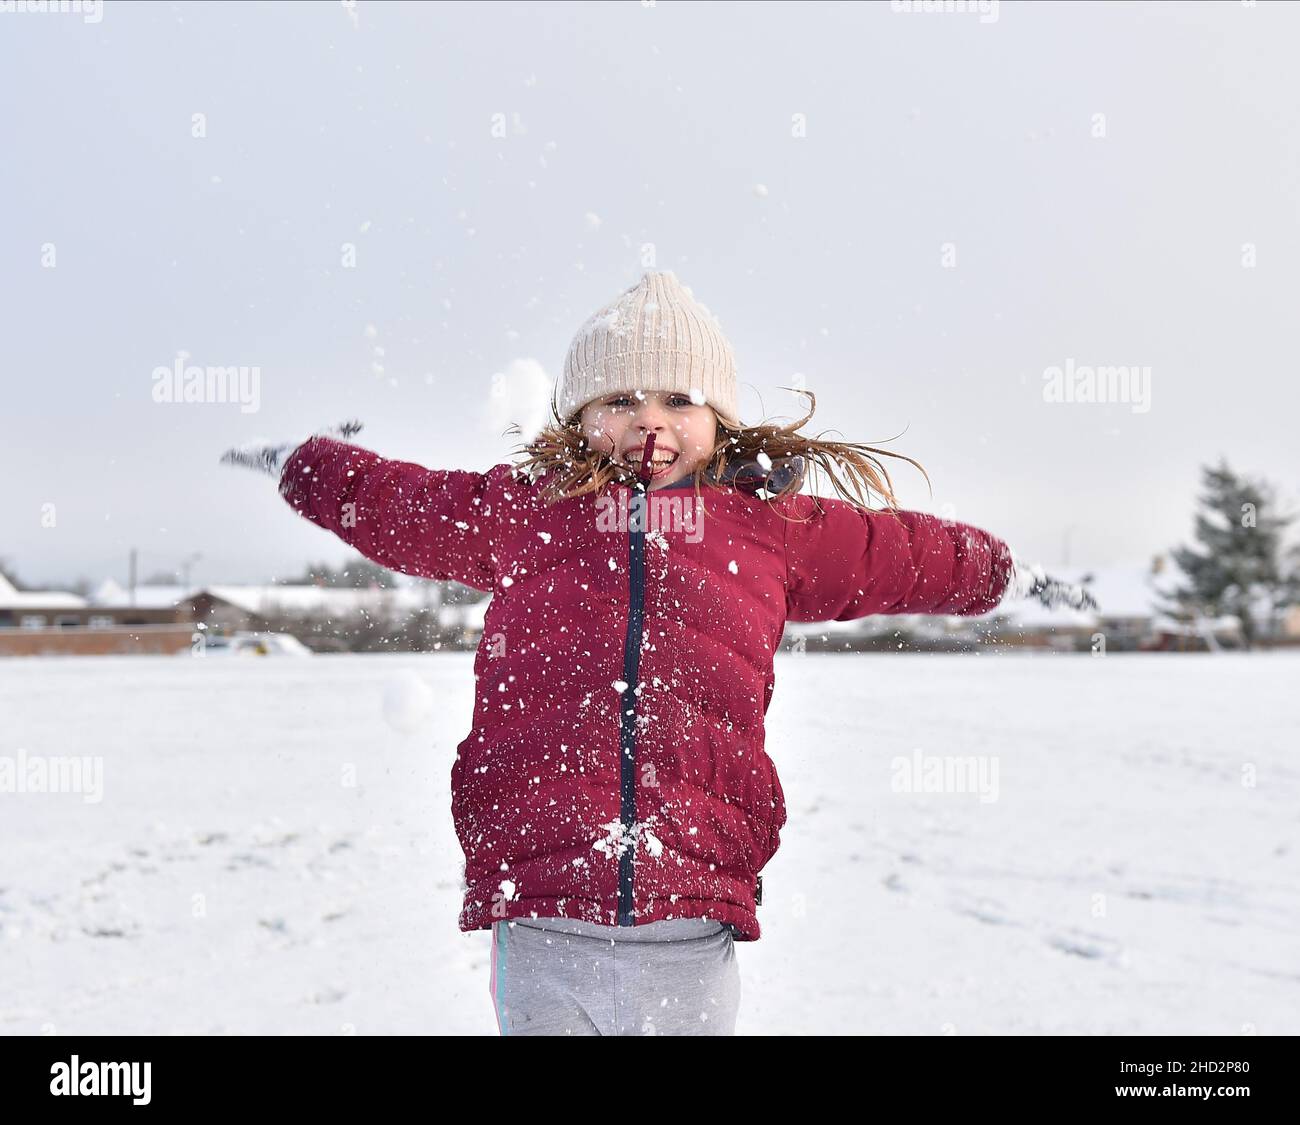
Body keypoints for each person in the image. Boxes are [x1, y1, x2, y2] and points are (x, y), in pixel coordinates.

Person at [222, 270, 1094, 1035]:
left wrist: (1006, 572)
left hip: (693, 909)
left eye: (678, 401)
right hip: (543, 904)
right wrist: (304, 464)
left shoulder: (771, 527)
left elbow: (897, 552)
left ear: (718, 421)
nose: (650, 422)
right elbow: (401, 503)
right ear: (579, 418)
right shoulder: (525, 512)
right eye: (620, 401)